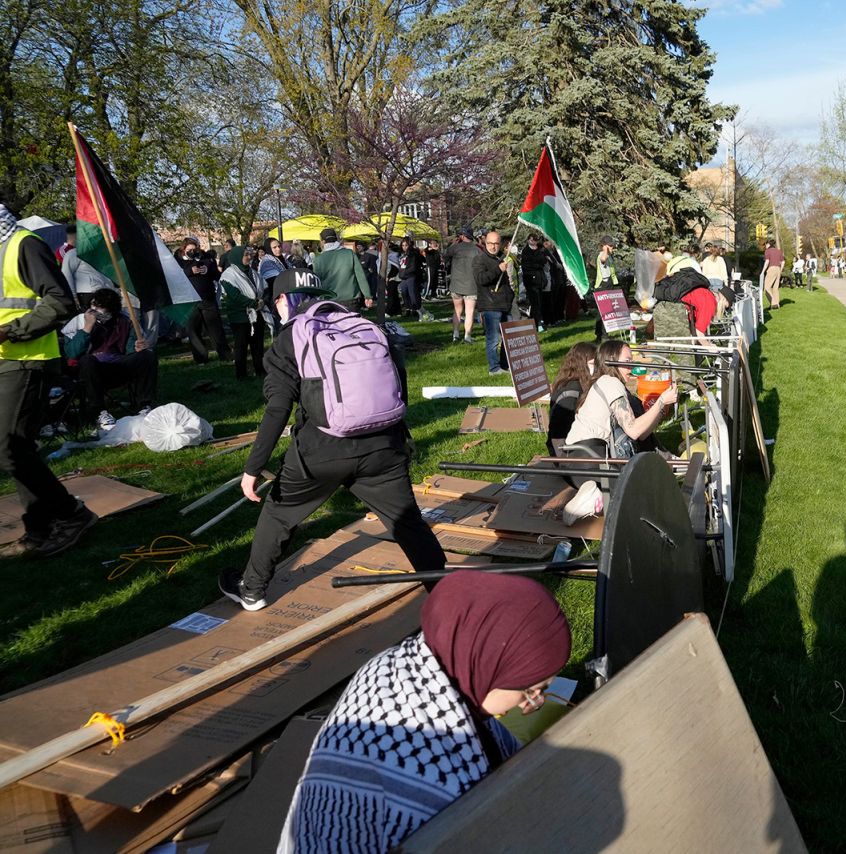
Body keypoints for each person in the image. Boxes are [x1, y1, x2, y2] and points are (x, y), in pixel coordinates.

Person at [279, 570, 570, 853]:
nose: (534, 701)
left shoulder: (407, 662)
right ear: (487, 665)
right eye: (531, 690)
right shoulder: (438, 795)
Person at [218, 269, 449, 611]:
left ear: (283, 300)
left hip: (322, 450)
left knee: (280, 514)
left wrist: (254, 467)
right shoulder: (363, 324)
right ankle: (450, 597)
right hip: (383, 445)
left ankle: (251, 589)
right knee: (408, 523)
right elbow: (397, 382)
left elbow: (278, 406)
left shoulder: (290, 337)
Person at [0, 202, 97, 558]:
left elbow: (60, 300)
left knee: (9, 447)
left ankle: (72, 515)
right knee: (15, 447)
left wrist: (11, 331)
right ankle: (39, 530)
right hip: (6, 360)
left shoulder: (22, 244)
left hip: (27, 358)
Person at [561, 340, 677, 524]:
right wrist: (661, 401)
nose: (631, 366)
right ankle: (589, 499)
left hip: (580, 463)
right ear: (611, 361)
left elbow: (643, 434)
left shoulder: (607, 382)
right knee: (641, 505)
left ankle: (591, 497)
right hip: (589, 461)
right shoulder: (610, 382)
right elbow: (634, 430)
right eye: (627, 361)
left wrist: (662, 408)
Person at [64, 287, 158, 430]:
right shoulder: (77, 322)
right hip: (89, 370)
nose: (95, 310)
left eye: (101, 308)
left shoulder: (125, 321)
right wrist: (87, 328)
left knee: (147, 355)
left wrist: (138, 348)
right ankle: (99, 412)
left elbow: (130, 349)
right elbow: (72, 353)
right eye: (93, 306)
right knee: (87, 361)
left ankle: (144, 406)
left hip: (117, 367)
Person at [179, 237, 229, 363]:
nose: (192, 251)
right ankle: (201, 358)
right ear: (184, 250)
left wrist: (209, 270)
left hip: (207, 299)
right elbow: (177, 278)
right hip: (190, 301)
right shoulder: (179, 262)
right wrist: (190, 271)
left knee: (215, 328)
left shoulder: (205, 260)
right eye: (189, 249)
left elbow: (217, 276)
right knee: (193, 330)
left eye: (194, 249)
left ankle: (224, 354)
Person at [220, 244, 266, 380]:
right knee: (241, 346)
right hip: (240, 316)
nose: (249, 257)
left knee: (257, 345)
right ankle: (241, 374)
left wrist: (262, 301)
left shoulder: (253, 272)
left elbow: (264, 287)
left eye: (249, 254)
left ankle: (260, 369)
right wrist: (253, 303)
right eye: (245, 255)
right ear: (237, 257)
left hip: (257, 313)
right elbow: (235, 295)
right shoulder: (228, 275)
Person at [474, 230, 514, 375]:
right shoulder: (480, 259)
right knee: (493, 339)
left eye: (496, 243)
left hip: (504, 304)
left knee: (507, 338)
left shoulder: (501, 258)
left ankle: (504, 365)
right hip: (489, 304)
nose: (493, 246)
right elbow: (481, 279)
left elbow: (506, 283)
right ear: (485, 243)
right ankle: (494, 368)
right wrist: (498, 269)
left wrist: (510, 296)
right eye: (490, 243)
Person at [547, 341, 596, 455]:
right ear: (581, 365)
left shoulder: (575, 384)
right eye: (593, 364)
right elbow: (558, 435)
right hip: (570, 454)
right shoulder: (571, 395)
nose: (598, 368)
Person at [311, 227, 373, 311]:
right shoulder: (349, 254)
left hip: (329, 301)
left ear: (323, 242)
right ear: (336, 239)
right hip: (350, 300)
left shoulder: (318, 259)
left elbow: (318, 282)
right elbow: (360, 276)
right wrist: (367, 295)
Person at [59, 224, 114, 310]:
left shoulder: (99, 252)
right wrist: (74, 298)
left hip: (105, 292)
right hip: (88, 293)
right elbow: (67, 276)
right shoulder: (72, 253)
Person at [444, 225, 480, 342]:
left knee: (457, 310)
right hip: (471, 285)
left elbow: (445, 256)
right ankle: (467, 336)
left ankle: (455, 335)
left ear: (463, 236)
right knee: (469, 312)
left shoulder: (455, 248)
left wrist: (454, 243)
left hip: (456, 284)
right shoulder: (477, 250)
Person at [520, 234, 551, 332]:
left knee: (539, 302)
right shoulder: (526, 251)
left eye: (536, 240)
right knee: (534, 302)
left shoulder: (540, 249)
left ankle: (534, 322)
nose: (535, 242)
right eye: (533, 240)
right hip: (530, 281)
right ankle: (538, 323)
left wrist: (538, 263)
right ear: (529, 240)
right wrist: (537, 264)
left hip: (540, 280)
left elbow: (543, 260)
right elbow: (527, 265)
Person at [397, 237, 422, 316]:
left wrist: (407, 272)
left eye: (406, 245)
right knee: (404, 293)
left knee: (412, 293)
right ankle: (408, 308)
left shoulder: (413, 254)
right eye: (403, 245)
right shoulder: (401, 254)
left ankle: (415, 309)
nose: (404, 247)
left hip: (411, 276)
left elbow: (414, 266)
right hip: (403, 277)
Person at [761, 238, 783, 309]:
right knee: (775, 288)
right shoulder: (779, 251)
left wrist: (763, 271)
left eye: (765, 244)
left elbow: (767, 261)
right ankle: (777, 304)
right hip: (778, 269)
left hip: (771, 269)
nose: (765, 246)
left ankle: (774, 304)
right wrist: (780, 269)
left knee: (766, 288)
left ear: (768, 244)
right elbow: (783, 262)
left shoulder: (767, 251)